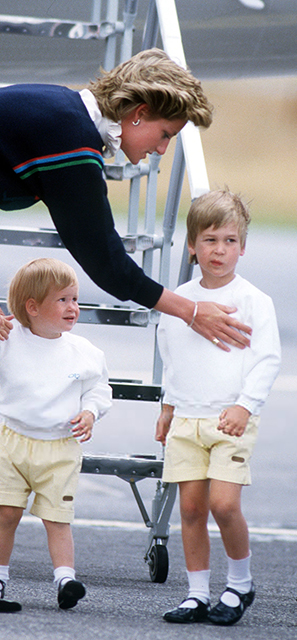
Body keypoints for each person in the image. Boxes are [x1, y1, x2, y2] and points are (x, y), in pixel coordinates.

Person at [0, 47, 251, 610]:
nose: (160, 151)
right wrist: (190, 308)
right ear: (138, 112)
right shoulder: (72, 139)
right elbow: (101, 257)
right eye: (165, 134)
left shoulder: (61, 116)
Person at [155, 189, 281, 626]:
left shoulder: (254, 301)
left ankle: (240, 584)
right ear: (192, 245)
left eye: (229, 241)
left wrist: (245, 407)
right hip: (187, 417)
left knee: (224, 505)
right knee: (190, 508)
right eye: (209, 240)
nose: (219, 250)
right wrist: (169, 405)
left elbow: (267, 360)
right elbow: (172, 356)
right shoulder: (180, 300)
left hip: (231, 419)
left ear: (242, 247)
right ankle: (196, 594)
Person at [0, 258, 112, 609]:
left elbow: (99, 389)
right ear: (32, 307)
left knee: (57, 518)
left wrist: (90, 411)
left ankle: (65, 578)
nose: (73, 308)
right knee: (6, 513)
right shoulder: (5, 343)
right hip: (12, 442)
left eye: (75, 298)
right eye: (63, 300)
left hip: (60, 447)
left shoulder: (83, 351)